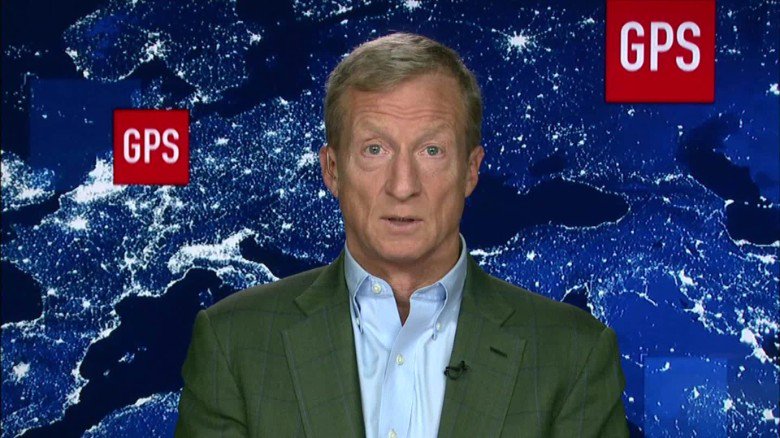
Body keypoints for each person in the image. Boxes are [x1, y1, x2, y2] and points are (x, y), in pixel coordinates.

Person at [175, 32, 629, 438]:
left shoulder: (573, 355)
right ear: (332, 169)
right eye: (375, 150)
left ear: (471, 170)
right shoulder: (234, 344)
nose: (403, 185)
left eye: (431, 150)